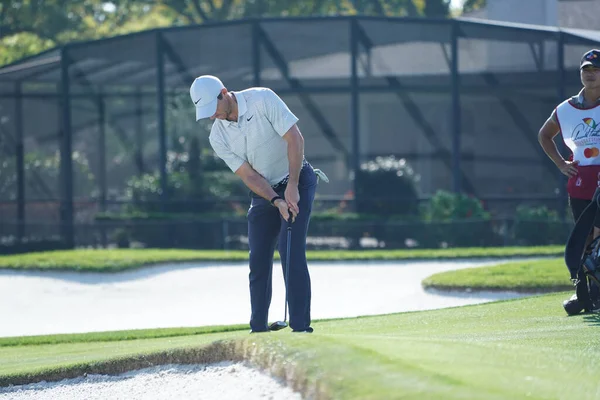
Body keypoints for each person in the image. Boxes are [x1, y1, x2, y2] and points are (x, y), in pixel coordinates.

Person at [190, 75, 325, 333]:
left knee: (291, 251)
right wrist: (275, 200)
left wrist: (292, 187)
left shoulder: (262, 99)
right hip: (264, 190)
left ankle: (300, 327)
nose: (212, 117)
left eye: (213, 109)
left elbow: (295, 139)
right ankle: (258, 329)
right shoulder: (217, 137)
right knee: (259, 257)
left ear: (224, 93)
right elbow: (249, 176)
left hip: (297, 178)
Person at [538, 49, 600, 313]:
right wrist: (561, 164)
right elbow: (545, 135)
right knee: (583, 237)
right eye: (586, 70)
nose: (590, 74)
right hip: (580, 180)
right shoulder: (566, 109)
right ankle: (584, 294)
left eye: (596, 70)